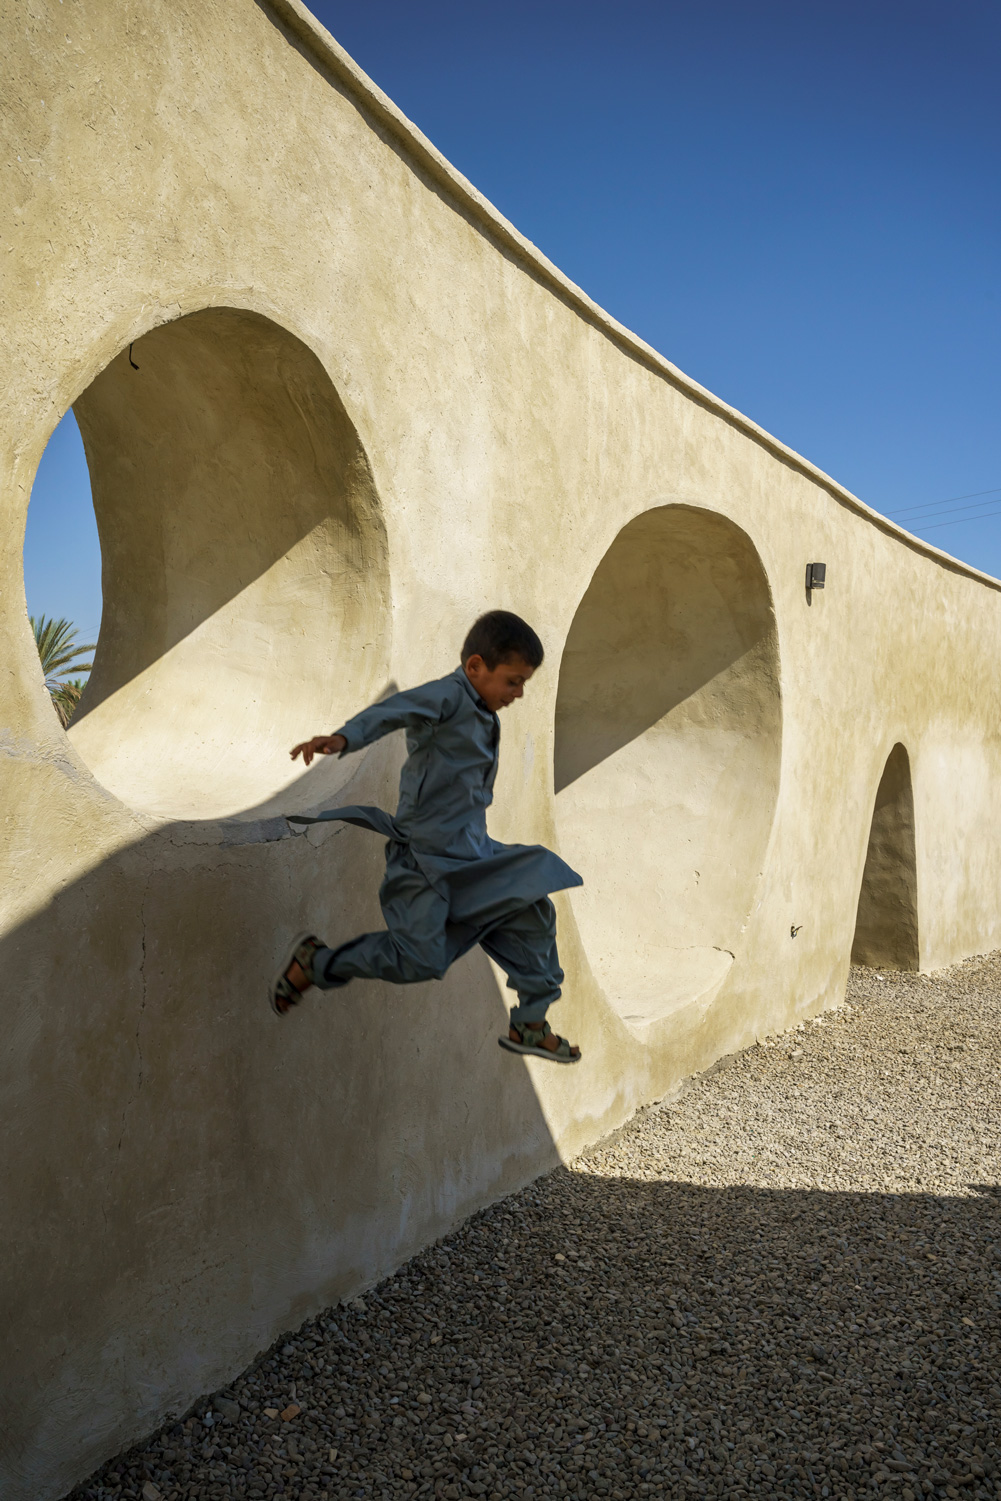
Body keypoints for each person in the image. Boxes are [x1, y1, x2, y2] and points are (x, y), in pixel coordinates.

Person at [272, 610, 582, 1063]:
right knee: (421, 961)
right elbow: (395, 709)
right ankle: (316, 963)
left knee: (535, 911)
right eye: (513, 682)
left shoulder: (483, 710)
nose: (517, 694)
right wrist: (343, 738)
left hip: (473, 856)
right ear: (476, 667)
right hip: (425, 862)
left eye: (523, 685)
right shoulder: (448, 698)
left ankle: (531, 1026)